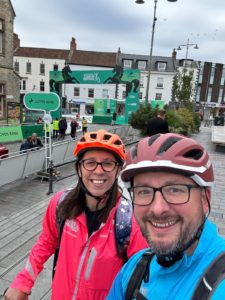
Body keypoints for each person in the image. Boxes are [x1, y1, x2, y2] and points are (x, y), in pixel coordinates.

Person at [4, 129, 147, 300]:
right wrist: (23, 282)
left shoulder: (129, 222)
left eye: (108, 163)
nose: (99, 171)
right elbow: (46, 242)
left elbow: (141, 278)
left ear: (118, 170)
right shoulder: (60, 204)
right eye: (90, 162)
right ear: (79, 168)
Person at [107, 133, 225, 299]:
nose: (157, 209)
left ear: (205, 199)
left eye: (175, 190)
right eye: (144, 192)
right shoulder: (135, 268)